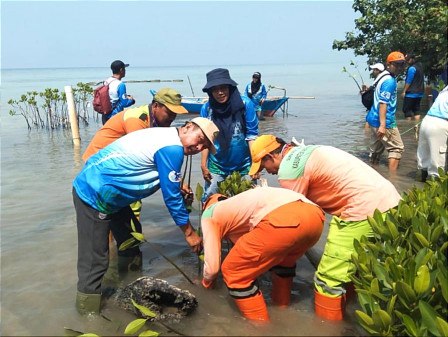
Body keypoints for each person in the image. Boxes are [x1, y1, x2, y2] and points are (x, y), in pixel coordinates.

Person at [73, 117, 219, 315]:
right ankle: (87, 314)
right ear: (187, 128)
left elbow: (160, 174)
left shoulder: (169, 138)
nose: (199, 146)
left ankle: (128, 288)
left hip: (114, 196)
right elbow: (171, 198)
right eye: (199, 139)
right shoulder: (172, 148)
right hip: (94, 193)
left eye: (204, 146)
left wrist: (177, 186)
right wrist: (189, 233)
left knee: (131, 241)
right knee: (95, 259)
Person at [248, 134, 401, 320]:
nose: (267, 172)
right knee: (358, 269)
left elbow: (290, 218)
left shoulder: (288, 171)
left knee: (328, 281)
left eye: (264, 166)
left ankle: (329, 327)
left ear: (271, 157)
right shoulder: (305, 151)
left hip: (361, 210)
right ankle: (353, 319)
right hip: (391, 201)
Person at [201, 187, 326, 322]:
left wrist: (206, 285)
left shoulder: (209, 214)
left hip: (283, 219)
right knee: (283, 264)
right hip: (315, 217)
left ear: (205, 205)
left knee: (235, 272)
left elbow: (212, 269)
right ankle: (282, 308)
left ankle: (261, 328)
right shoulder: (237, 204)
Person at [200, 68, 258, 201]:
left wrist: (256, 164)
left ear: (230, 88)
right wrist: (203, 165)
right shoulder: (207, 109)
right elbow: (205, 140)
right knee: (210, 201)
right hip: (216, 165)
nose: (220, 93)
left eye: (223, 88)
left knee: (251, 202)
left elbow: (252, 136)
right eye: (215, 89)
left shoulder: (245, 105)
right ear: (210, 92)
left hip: (244, 164)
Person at [366, 51, 406, 171]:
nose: (399, 68)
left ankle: (372, 173)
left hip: (373, 118)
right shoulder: (390, 81)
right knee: (396, 148)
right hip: (384, 121)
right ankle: (393, 180)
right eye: (396, 64)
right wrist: (383, 125)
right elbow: (383, 103)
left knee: (376, 151)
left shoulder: (382, 76)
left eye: (401, 64)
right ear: (388, 64)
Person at [417, 85, 448, 179]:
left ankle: (418, 187)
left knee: (423, 163)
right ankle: (435, 189)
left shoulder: (445, 89)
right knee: (437, 168)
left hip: (427, 121)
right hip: (440, 124)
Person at [102, 60, 135, 125]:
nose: (125, 71)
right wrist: (131, 100)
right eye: (124, 69)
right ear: (121, 70)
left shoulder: (107, 81)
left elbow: (111, 96)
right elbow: (125, 103)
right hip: (114, 116)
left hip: (105, 115)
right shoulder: (120, 85)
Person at [361, 63, 386, 128]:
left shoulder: (379, 79)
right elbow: (375, 90)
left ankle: (367, 136)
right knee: (369, 120)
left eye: (374, 70)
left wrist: (364, 93)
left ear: (378, 71)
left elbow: (375, 91)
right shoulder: (381, 78)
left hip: (375, 104)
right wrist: (367, 87)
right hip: (376, 104)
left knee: (368, 121)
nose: (373, 71)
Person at [401, 54, 425, 121]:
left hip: (411, 93)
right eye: (407, 60)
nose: (407, 61)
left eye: (408, 60)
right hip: (420, 93)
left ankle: (408, 126)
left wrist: (404, 91)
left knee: (407, 111)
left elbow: (409, 81)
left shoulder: (412, 68)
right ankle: (416, 128)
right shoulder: (420, 67)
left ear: (413, 59)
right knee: (416, 110)